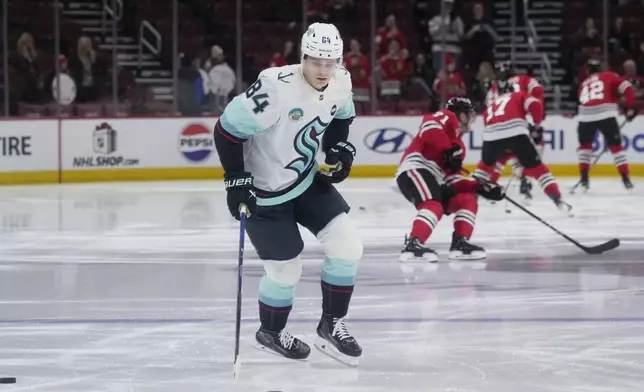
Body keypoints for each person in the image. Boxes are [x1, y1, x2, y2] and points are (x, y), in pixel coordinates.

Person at [214, 22, 363, 366]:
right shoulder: (274, 87)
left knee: (348, 245)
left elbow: (341, 117)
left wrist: (339, 148)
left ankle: (331, 324)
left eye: (332, 62)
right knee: (285, 271)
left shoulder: (341, 80)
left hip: (307, 180)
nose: (324, 70)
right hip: (264, 193)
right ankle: (270, 332)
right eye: (316, 62)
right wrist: (236, 179)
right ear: (303, 57)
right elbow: (226, 131)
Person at [395, 97, 504, 263]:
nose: (470, 119)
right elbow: (428, 127)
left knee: (467, 200)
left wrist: (479, 187)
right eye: (468, 114)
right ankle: (412, 245)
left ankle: (460, 244)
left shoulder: (459, 146)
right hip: (415, 169)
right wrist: (447, 149)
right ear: (460, 115)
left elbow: (453, 179)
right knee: (433, 205)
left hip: (434, 177)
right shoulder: (447, 116)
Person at [474, 80, 572, 214]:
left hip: (491, 136)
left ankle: (470, 199)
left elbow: (488, 123)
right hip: (516, 133)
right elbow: (535, 103)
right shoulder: (519, 94)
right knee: (539, 169)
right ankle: (557, 199)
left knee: (483, 169)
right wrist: (536, 124)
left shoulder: (491, 104)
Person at [485, 61, 545, 201]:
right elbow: (538, 91)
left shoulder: (494, 88)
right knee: (532, 151)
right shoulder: (525, 79)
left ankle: (491, 183)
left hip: (496, 124)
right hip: (520, 122)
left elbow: (488, 105)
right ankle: (525, 180)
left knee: (501, 156)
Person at [577, 58, 636, 191]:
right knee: (616, 147)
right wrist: (630, 106)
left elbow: (584, 99)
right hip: (605, 114)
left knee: (585, 148)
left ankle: (584, 179)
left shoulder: (584, 83)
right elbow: (626, 87)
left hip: (584, 115)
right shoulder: (609, 75)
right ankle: (626, 179)